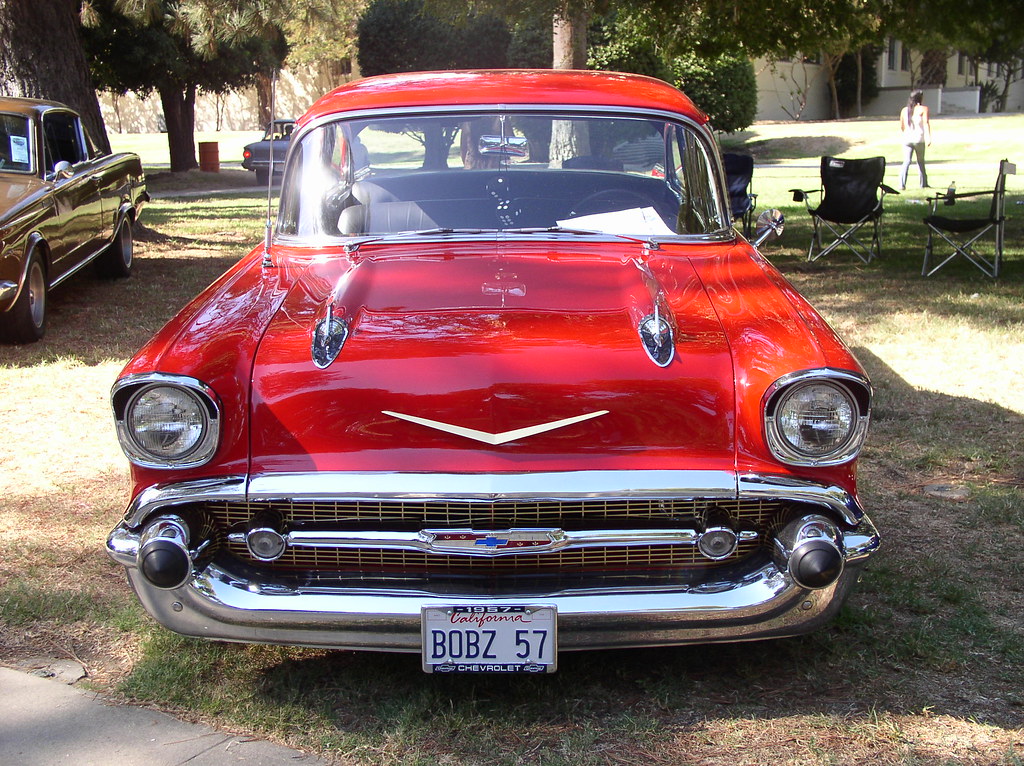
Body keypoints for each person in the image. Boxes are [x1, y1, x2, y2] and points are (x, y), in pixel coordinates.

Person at [899, 89, 931, 189]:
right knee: (920, 161)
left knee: (906, 161)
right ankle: (923, 184)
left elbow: (902, 126)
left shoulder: (904, 110)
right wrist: (928, 137)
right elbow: (926, 123)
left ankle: (902, 184)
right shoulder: (923, 109)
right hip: (919, 139)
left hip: (907, 139)